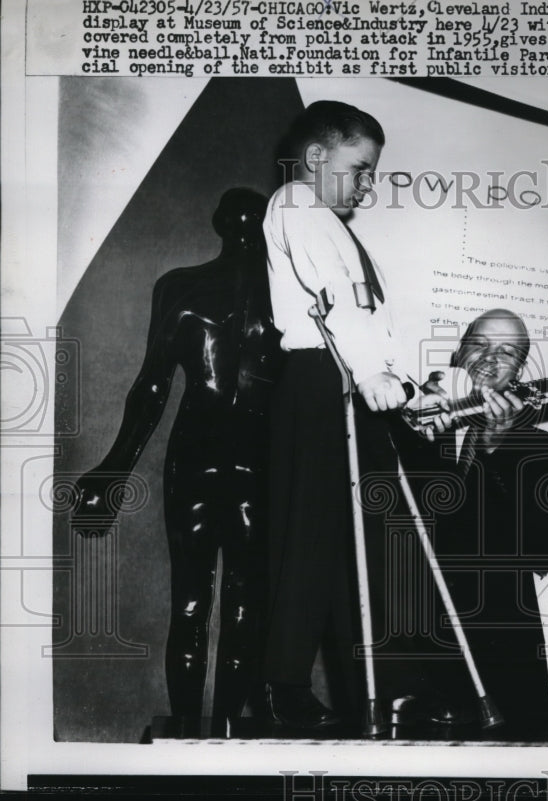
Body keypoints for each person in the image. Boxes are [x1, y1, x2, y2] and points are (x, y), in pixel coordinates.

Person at [73, 188, 283, 727]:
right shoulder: (287, 295)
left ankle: (198, 733)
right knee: (241, 606)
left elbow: (151, 389)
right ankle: (216, 732)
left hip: (200, 455)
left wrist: (114, 469)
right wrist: (111, 469)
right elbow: (150, 388)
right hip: (254, 458)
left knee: (196, 603)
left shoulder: (185, 288)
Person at [260, 101, 415, 731]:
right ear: (319, 157)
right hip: (322, 377)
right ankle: (284, 687)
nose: (370, 185)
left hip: (353, 377)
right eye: (362, 168)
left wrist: (402, 379)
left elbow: (373, 319)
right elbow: (329, 300)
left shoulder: (338, 226)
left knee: (378, 541)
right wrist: (370, 371)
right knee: (314, 538)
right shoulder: (298, 202)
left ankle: (390, 687)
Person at [400, 309, 548, 737]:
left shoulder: (542, 449)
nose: (490, 358)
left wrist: (495, 452)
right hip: (407, 654)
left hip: (498, 668)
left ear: (519, 371)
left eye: (507, 352)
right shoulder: (403, 427)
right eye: (479, 345)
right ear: (456, 354)